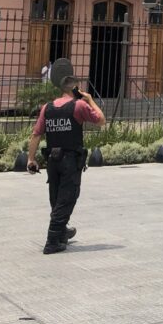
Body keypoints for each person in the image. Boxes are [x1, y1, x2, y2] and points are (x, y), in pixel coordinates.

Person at [27, 76, 105, 254]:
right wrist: (90, 100)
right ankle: (52, 240)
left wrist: (31, 159)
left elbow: (36, 134)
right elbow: (101, 120)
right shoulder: (79, 106)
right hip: (70, 160)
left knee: (56, 197)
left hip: (52, 161)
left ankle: (62, 231)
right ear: (75, 89)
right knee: (67, 197)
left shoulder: (48, 108)